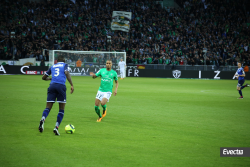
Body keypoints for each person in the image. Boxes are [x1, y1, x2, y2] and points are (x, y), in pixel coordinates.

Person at [38, 55, 74, 135]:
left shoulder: (53, 66)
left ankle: (43, 119)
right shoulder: (65, 65)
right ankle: (56, 127)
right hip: (61, 86)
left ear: (57, 61)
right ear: (64, 60)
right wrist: (71, 84)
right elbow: (67, 73)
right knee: (61, 109)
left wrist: (50, 78)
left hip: (52, 86)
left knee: (48, 107)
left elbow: (43, 77)